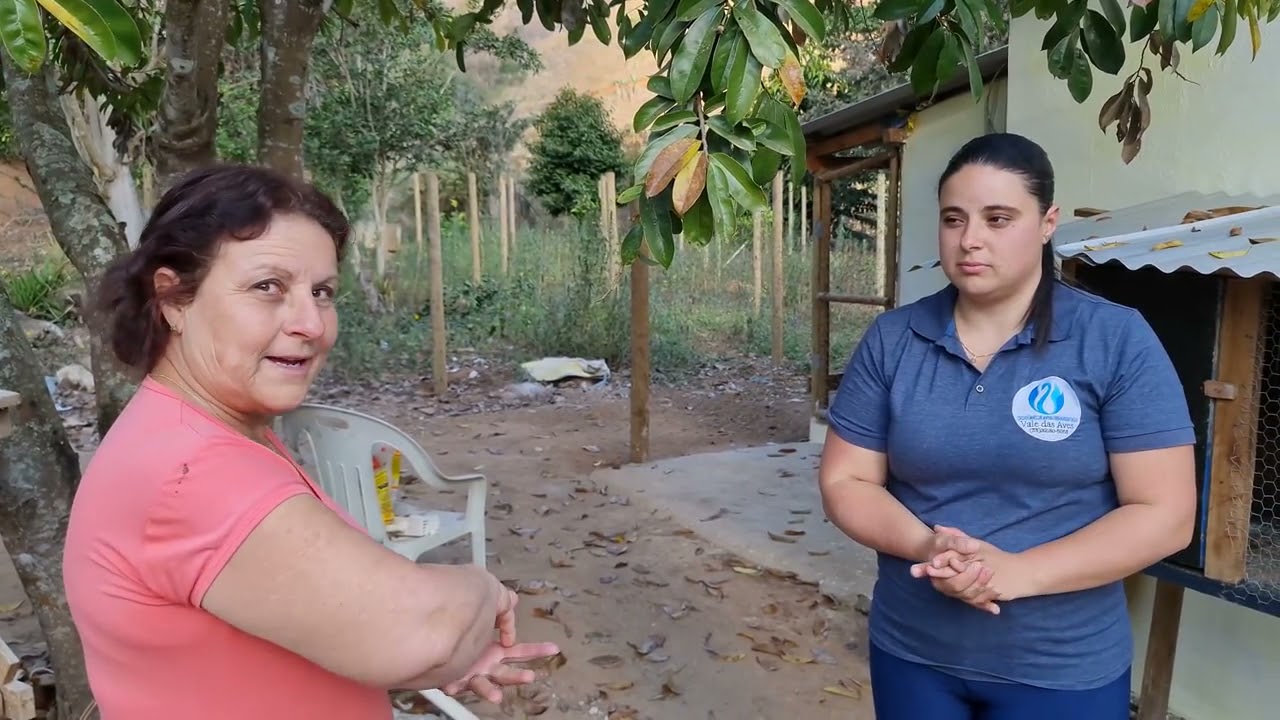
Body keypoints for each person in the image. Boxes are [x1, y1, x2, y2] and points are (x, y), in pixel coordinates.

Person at [62, 164, 559, 720]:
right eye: (267, 287)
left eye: (322, 292)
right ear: (175, 298)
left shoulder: (202, 431)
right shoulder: (191, 471)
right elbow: (422, 632)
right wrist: (480, 589)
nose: (311, 323)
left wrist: (432, 656)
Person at [817, 133, 1197, 720]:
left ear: (1048, 223)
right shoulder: (894, 341)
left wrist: (1017, 573)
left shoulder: (1114, 340)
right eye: (953, 219)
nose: (970, 240)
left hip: (1062, 668)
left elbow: (1166, 515)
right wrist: (928, 543)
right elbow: (847, 482)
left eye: (999, 219)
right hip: (915, 653)